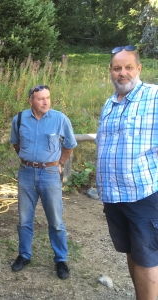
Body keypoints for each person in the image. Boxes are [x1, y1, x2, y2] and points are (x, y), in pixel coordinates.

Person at [96, 45, 158, 300]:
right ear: (110, 71)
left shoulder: (154, 96)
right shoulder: (110, 103)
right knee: (131, 252)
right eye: (117, 68)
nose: (122, 73)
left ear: (139, 68)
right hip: (114, 197)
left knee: (147, 258)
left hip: (143, 194)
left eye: (128, 67)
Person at [9, 84, 77, 279]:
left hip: (50, 175)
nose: (45, 101)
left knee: (55, 220)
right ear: (31, 101)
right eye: (40, 98)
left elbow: (69, 144)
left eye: (47, 97)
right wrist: (27, 159)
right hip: (26, 173)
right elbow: (15, 142)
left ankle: (61, 260)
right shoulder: (20, 119)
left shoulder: (60, 119)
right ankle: (24, 255)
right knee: (24, 219)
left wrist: (60, 163)